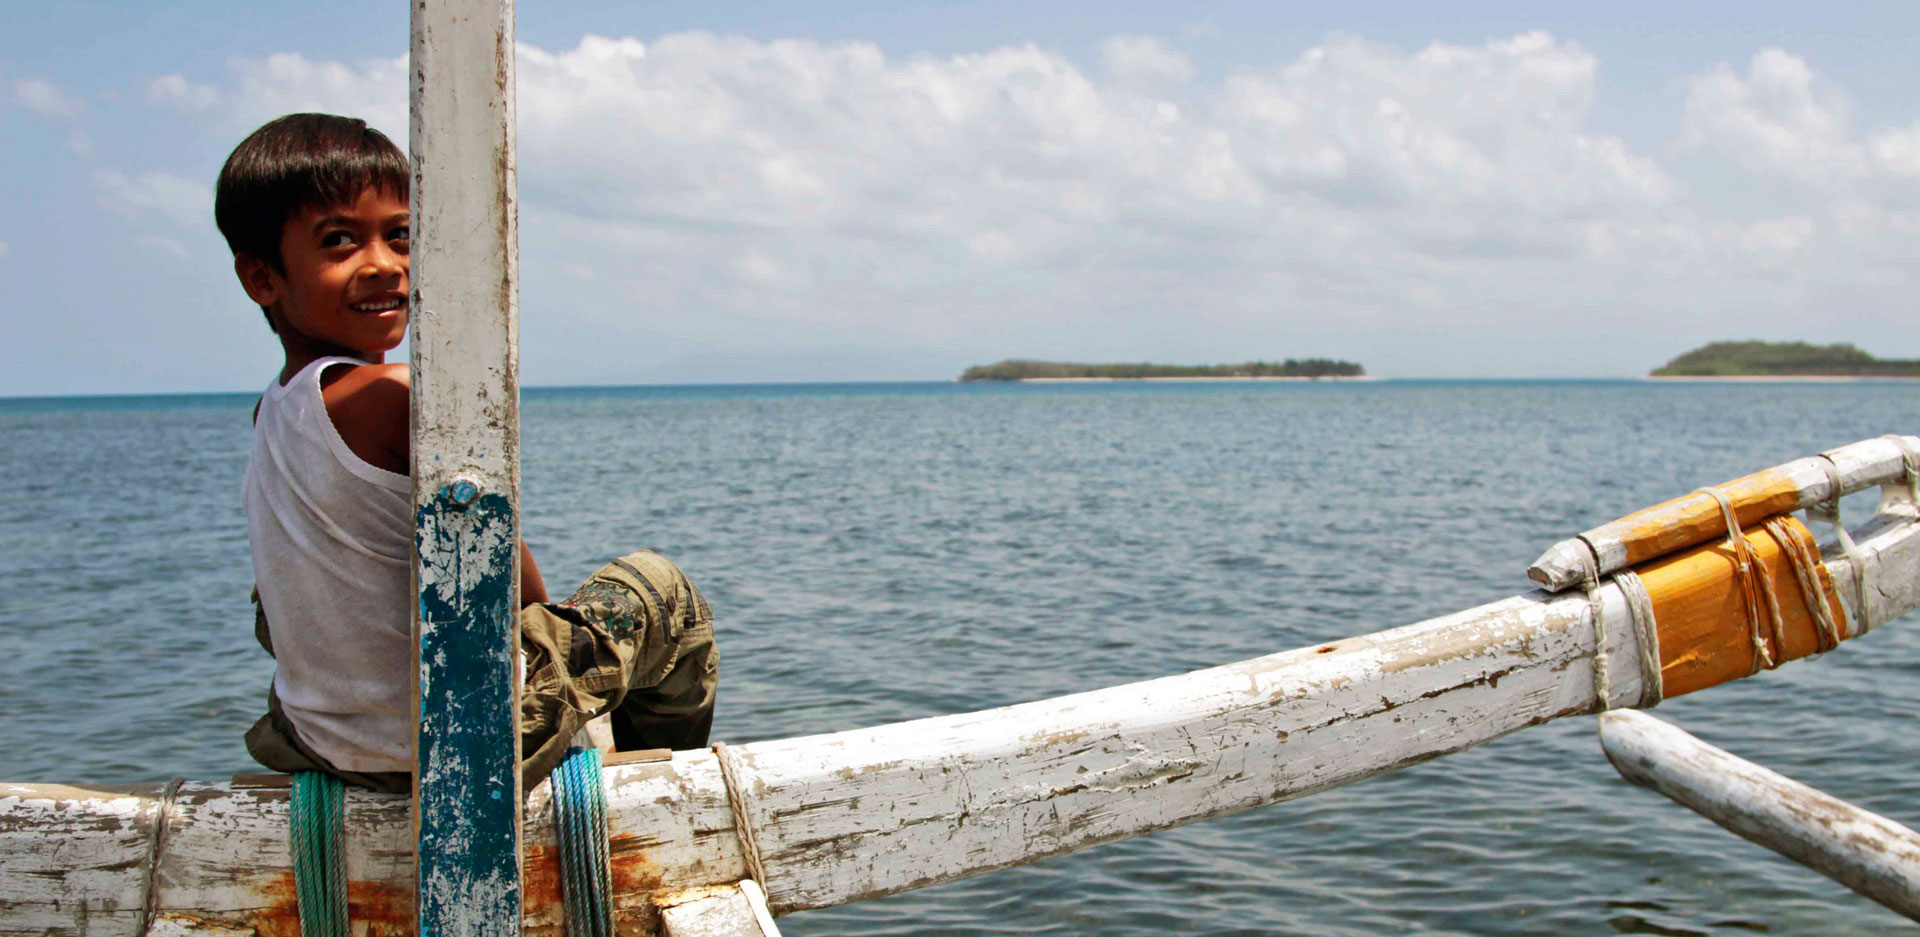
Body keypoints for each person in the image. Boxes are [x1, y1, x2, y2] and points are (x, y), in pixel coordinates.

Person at [219, 112, 717, 793]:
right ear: (262, 277)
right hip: (457, 744)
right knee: (661, 589)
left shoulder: (273, 409)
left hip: (325, 741)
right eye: (339, 241)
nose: (384, 265)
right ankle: (656, 791)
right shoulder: (395, 395)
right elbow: (521, 598)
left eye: (399, 236)